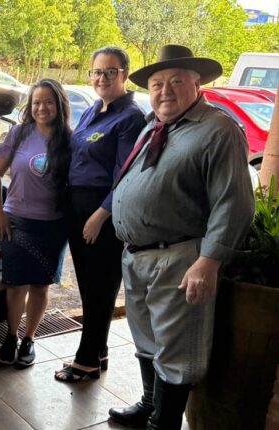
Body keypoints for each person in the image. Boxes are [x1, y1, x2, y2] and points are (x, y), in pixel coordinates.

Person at [109, 45, 254, 429]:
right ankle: (148, 404)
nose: (165, 91)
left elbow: (234, 202)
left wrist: (208, 262)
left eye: (176, 81)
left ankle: (164, 422)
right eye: (157, 84)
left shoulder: (218, 130)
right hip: (138, 256)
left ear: (197, 83)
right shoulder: (153, 126)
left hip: (178, 257)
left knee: (176, 349)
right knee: (146, 338)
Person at [55, 46, 147, 382]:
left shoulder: (130, 117)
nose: (102, 78)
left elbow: (125, 175)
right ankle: (100, 349)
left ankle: (86, 361)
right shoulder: (94, 108)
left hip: (102, 212)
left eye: (110, 71)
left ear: (125, 74)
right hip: (78, 205)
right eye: (97, 71)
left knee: (101, 286)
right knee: (89, 285)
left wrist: (100, 215)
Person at [0, 79, 72, 367]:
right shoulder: (19, 133)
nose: (42, 107)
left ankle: (29, 338)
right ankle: (11, 335)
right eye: (36, 102)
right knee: (15, 285)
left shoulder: (69, 139)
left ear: (59, 105)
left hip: (53, 227)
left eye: (48, 102)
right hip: (16, 222)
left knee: (40, 286)